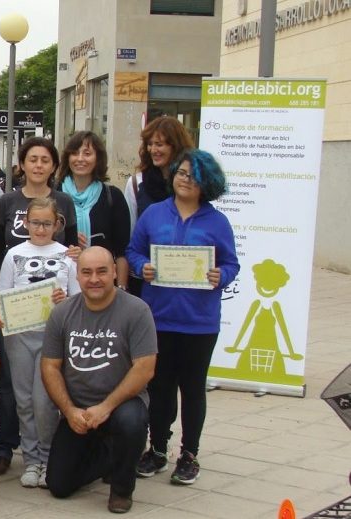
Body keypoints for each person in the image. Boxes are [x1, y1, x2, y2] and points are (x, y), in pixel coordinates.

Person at [126, 149, 239, 486]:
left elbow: (232, 263)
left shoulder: (217, 221)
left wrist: (222, 275)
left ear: (207, 183)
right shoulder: (153, 215)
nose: (185, 179)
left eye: (193, 175)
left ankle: (189, 454)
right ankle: (158, 449)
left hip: (199, 321)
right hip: (158, 317)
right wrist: (139, 267)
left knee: (192, 389)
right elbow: (133, 250)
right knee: (159, 388)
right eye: (181, 172)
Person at [41, 246, 158, 514]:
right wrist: (69, 411)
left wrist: (105, 408)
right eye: (87, 272)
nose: (94, 279)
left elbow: (145, 368)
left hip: (121, 405)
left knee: (131, 422)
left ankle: (121, 488)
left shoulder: (137, 311)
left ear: (115, 272)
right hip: (79, 410)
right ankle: (109, 456)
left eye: (102, 271)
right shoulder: (62, 313)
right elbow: (50, 367)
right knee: (58, 486)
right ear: (78, 276)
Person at [0, 198, 78, 488]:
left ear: (57, 224)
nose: (40, 229)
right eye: (35, 223)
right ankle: (31, 460)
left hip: (52, 338)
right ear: (25, 224)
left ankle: (48, 456)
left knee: (45, 401)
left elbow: (79, 302)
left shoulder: (68, 255)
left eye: (46, 223)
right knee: (24, 400)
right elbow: (1, 294)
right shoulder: (13, 254)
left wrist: (64, 301)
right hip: (19, 336)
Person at [123, 117, 195, 297]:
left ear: (175, 146)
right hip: (145, 279)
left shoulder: (193, 185)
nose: (153, 150)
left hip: (186, 280)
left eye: (160, 144)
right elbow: (130, 237)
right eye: (150, 144)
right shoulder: (135, 183)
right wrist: (140, 266)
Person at [0, 137, 78, 279]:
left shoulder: (64, 201)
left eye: (45, 160)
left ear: (54, 167)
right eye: (33, 160)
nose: (39, 165)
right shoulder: (6, 201)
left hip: (56, 286)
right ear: (23, 165)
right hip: (15, 287)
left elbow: (72, 249)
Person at [56, 131, 131, 284]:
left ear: (98, 158)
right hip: (61, 282)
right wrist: (67, 236)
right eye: (75, 153)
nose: (80, 159)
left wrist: (122, 290)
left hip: (101, 282)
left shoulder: (113, 197)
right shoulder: (53, 194)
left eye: (87, 153)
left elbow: (122, 251)